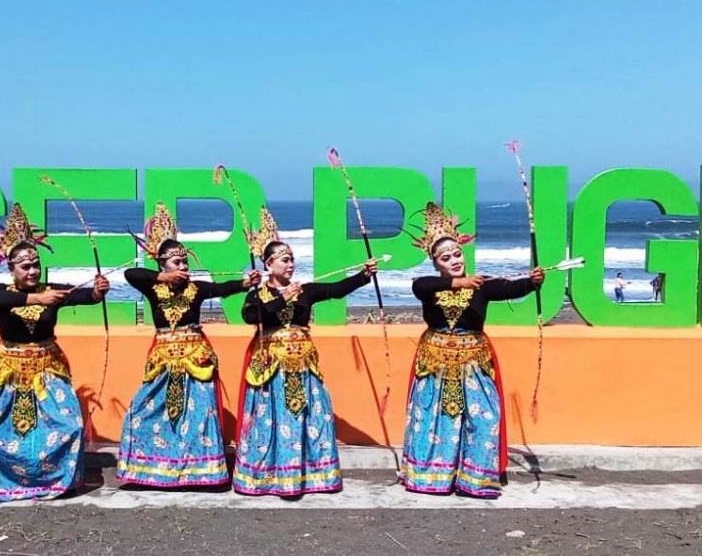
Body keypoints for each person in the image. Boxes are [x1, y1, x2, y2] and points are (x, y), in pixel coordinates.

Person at [232, 206, 377, 496]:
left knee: (310, 415)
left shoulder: (305, 291)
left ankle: (310, 475)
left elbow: (336, 289)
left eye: (292, 260)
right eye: (285, 260)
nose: (290, 265)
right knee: (270, 419)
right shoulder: (257, 295)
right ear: (269, 264)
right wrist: (281, 299)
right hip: (270, 368)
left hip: (302, 367)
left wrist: (363, 275)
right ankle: (268, 476)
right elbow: (250, 317)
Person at [401, 202, 544, 498]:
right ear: (436, 263)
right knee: (432, 420)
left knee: (484, 418)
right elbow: (419, 287)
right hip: (436, 364)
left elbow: (509, 288)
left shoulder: (482, 286)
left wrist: (532, 282)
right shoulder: (430, 287)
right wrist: (457, 282)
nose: (454, 260)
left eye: (457, 254)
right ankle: (432, 478)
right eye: (445, 258)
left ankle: (475, 479)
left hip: (473, 364)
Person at [0, 203, 110, 502]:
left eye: (36, 265)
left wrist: (98, 291)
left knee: (70, 425)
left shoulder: (52, 289)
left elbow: (83, 296)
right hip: (8, 371)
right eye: (25, 266)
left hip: (48, 369)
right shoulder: (3, 291)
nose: (33, 270)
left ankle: (57, 482)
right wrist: (39, 297)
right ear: (11, 268)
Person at [116, 202, 261, 488]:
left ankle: (200, 472)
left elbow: (222, 288)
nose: (183, 267)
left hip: (196, 359)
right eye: (176, 263)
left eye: (185, 262)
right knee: (143, 408)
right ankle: (152, 468)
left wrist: (245, 283)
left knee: (199, 415)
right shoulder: (152, 286)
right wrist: (163, 277)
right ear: (162, 264)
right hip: (163, 360)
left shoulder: (196, 288)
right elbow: (131, 275)